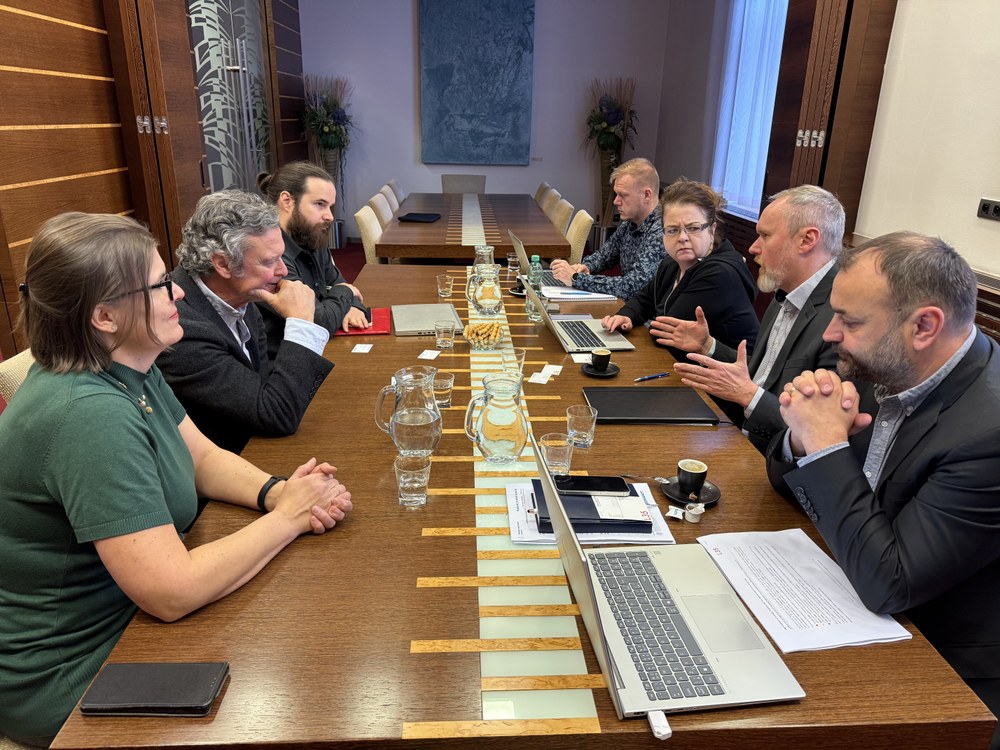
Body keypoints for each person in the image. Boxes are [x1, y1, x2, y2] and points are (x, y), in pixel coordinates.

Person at [0, 212, 353, 746]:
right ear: (104, 316)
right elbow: (171, 592)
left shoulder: (127, 365)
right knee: (302, 692)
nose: (179, 295)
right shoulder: (87, 414)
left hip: (127, 620)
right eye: (161, 285)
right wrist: (289, 517)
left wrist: (276, 491)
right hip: (74, 670)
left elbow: (203, 459)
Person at [766, 232, 1000, 750]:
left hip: (945, 666)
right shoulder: (888, 363)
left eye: (848, 321)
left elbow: (890, 582)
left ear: (923, 326)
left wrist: (827, 446)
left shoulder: (990, 433)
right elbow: (783, 481)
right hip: (852, 598)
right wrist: (802, 437)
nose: (829, 334)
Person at [661, 185, 845, 453]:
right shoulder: (784, 291)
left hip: (772, 462)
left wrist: (748, 395)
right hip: (739, 434)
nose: (753, 247)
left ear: (807, 240)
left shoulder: (841, 319)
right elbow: (757, 378)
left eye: (765, 236)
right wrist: (708, 346)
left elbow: (818, 434)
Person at [156, 190, 334, 454]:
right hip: (221, 473)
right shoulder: (181, 329)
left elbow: (262, 387)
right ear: (223, 264)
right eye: (269, 261)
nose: (283, 271)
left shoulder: (241, 292)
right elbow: (276, 415)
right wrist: (302, 324)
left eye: (281, 257)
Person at [600, 179, 759, 363]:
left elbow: (665, 333)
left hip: (728, 380)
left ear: (712, 230)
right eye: (673, 230)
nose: (682, 237)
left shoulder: (719, 274)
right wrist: (625, 315)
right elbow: (644, 299)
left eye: (693, 228)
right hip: (686, 366)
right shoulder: (673, 263)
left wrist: (646, 320)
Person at [256, 162, 370, 359]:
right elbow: (317, 321)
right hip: (284, 362)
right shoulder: (271, 256)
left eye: (330, 206)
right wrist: (345, 293)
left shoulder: (311, 235)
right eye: (320, 204)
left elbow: (341, 285)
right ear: (287, 201)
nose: (329, 216)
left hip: (321, 349)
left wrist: (352, 305)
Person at [549, 157, 664, 300]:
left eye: (623, 195)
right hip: (628, 307)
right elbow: (604, 256)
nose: (616, 201)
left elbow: (631, 287)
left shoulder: (662, 230)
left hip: (646, 317)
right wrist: (586, 267)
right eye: (616, 194)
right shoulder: (631, 221)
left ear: (646, 195)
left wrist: (576, 278)